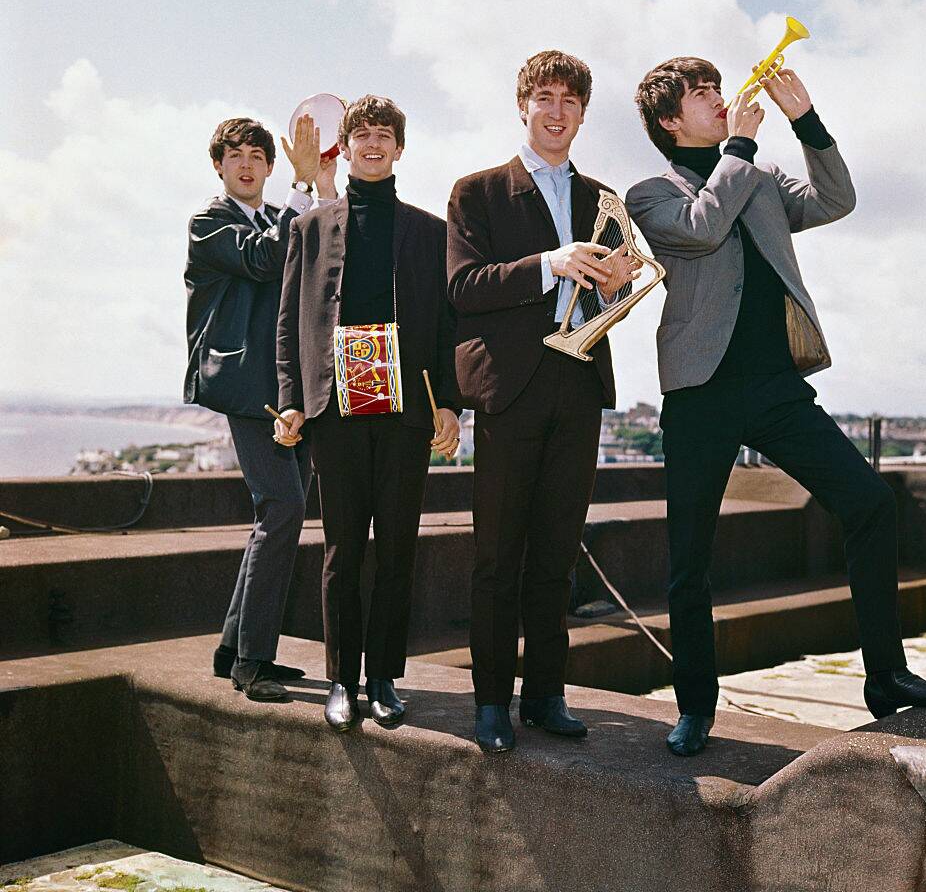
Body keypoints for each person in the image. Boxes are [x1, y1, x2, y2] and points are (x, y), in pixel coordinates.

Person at [626, 57, 926, 756]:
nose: (720, 98)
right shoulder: (649, 194)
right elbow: (700, 228)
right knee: (687, 559)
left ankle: (886, 678)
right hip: (698, 392)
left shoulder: (756, 176)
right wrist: (739, 148)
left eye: (715, 88)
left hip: (774, 385)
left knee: (867, 502)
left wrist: (805, 122)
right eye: (701, 95)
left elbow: (833, 201)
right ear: (669, 121)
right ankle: (695, 706)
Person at [447, 50, 639, 752]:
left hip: (578, 385)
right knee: (497, 556)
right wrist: (545, 266)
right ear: (522, 105)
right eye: (544, 98)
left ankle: (545, 697)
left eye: (569, 101)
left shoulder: (602, 197)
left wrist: (617, 285)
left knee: (557, 554)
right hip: (510, 391)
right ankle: (491, 703)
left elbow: (611, 295)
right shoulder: (476, 193)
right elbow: (462, 287)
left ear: (583, 113)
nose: (556, 111)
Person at [275, 95, 460, 732]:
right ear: (344, 147)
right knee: (342, 549)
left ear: (400, 148)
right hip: (336, 409)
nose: (373, 145)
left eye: (385, 135)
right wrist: (293, 399)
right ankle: (341, 681)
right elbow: (288, 323)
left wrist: (451, 407)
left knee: (398, 549)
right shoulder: (310, 226)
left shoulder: (430, 231)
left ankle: (383, 679)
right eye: (362, 135)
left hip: (406, 410)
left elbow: (445, 327)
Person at [184, 115, 321, 701]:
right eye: (233, 154)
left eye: (256, 155)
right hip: (248, 388)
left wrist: (321, 185)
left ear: (267, 164)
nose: (245, 163)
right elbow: (266, 260)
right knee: (283, 506)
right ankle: (253, 663)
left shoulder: (278, 217)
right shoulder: (209, 223)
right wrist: (301, 185)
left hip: (292, 388)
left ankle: (233, 649)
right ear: (219, 166)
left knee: (280, 512)